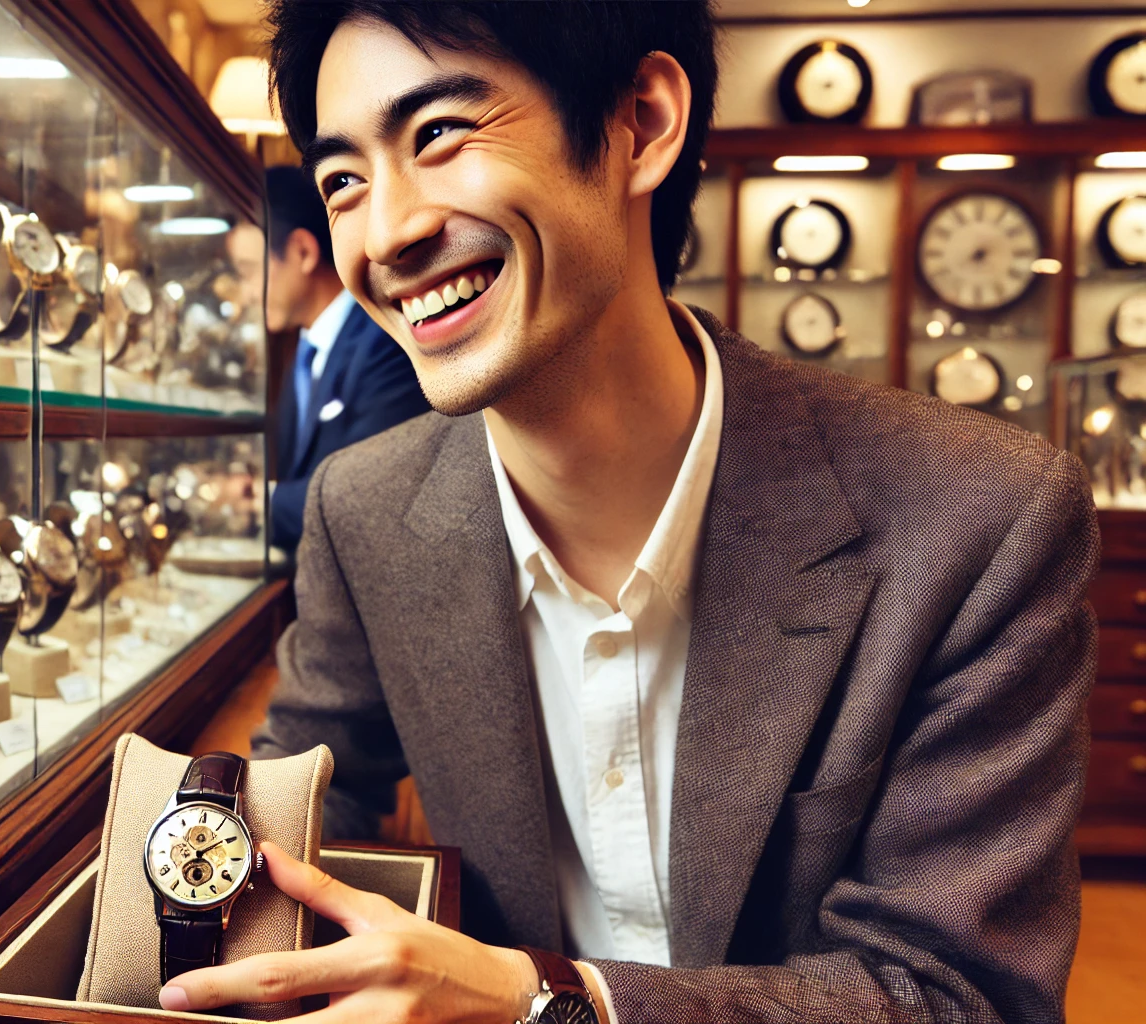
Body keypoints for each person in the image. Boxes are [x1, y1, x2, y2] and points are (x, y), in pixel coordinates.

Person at [164, 4, 1097, 1024]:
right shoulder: (368, 508)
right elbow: (303, 799)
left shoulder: (977, 519)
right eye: (344, 180)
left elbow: (959, 997)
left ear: (641, 123)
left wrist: (546, 1000)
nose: (387, 232)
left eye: (439, 135)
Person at [228, 167, 430, 554]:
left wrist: (257, 502)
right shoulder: (306, 353)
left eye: (249, 272)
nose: (246, 294)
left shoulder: (386, 341)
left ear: (302, 252)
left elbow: (373, 493)